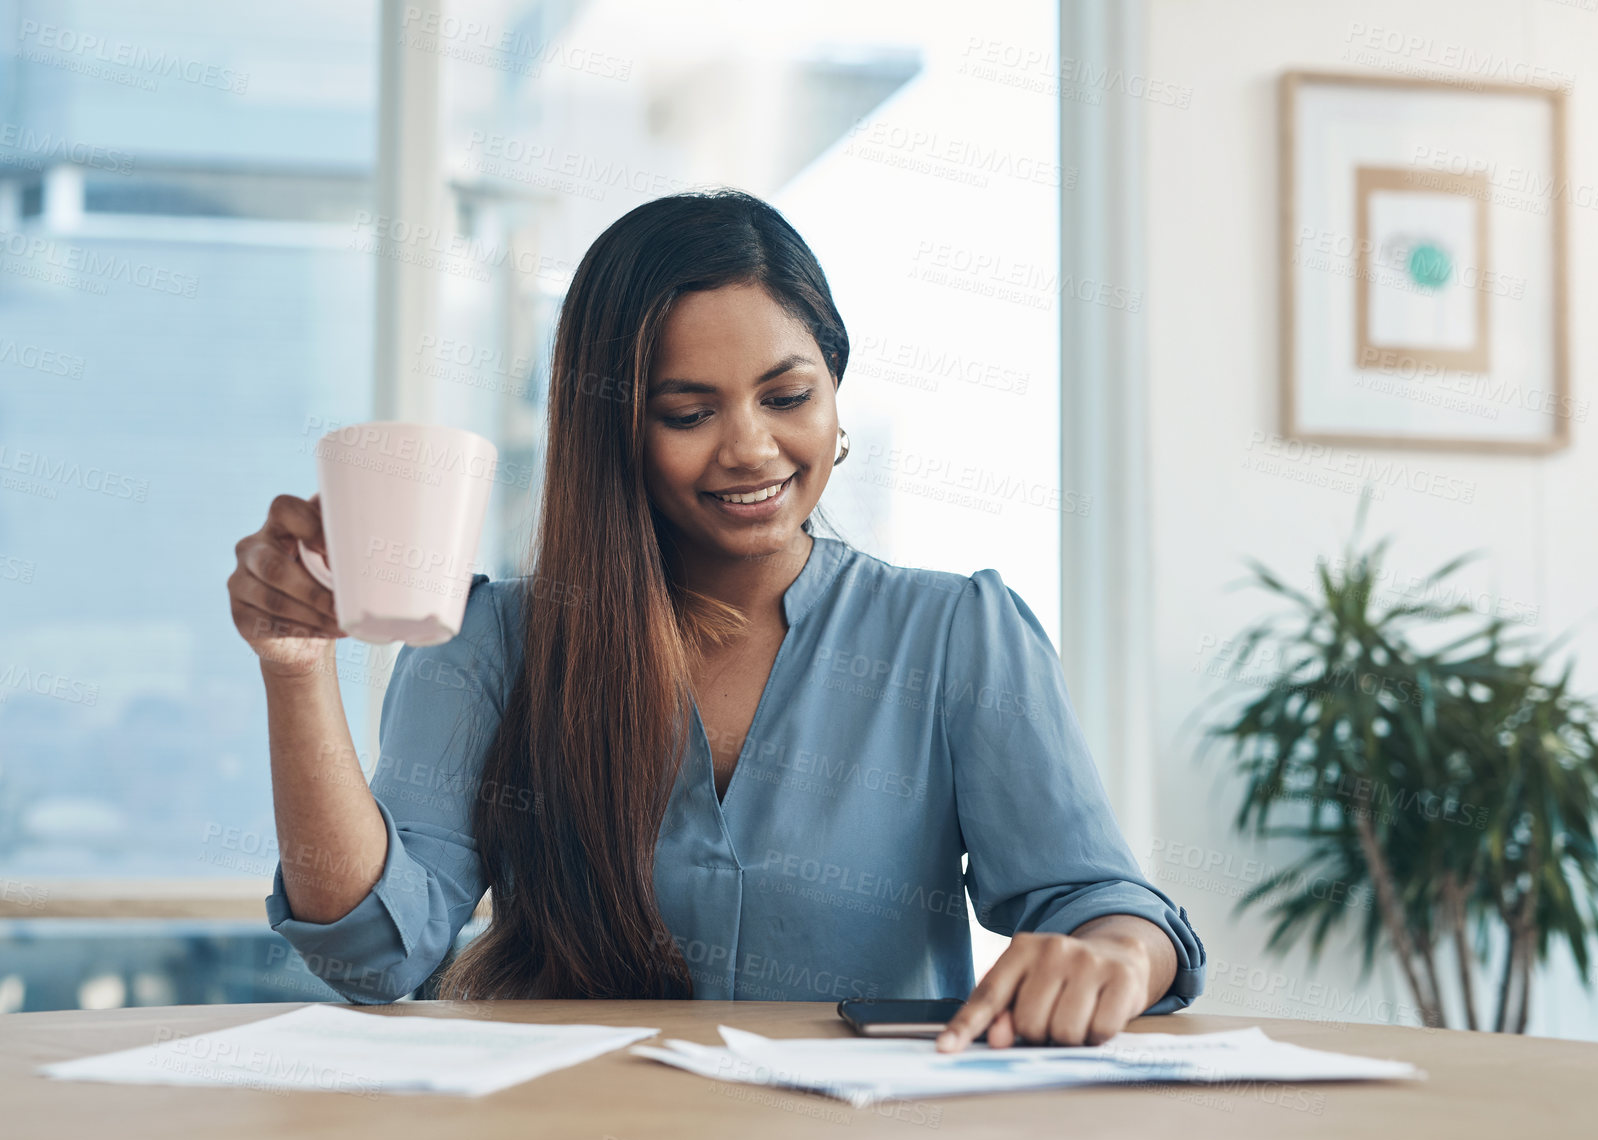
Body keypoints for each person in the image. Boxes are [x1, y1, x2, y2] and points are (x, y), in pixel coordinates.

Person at [227, 188, 1205, 1051]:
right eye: (688, 412)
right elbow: (372, 951)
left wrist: (1115, 954)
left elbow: (1102, 901)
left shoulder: (958, 633)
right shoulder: (493, 643)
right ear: (614, 430)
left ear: (835, 388)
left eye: (787, 396)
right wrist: (295, 666)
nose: (751, 447)